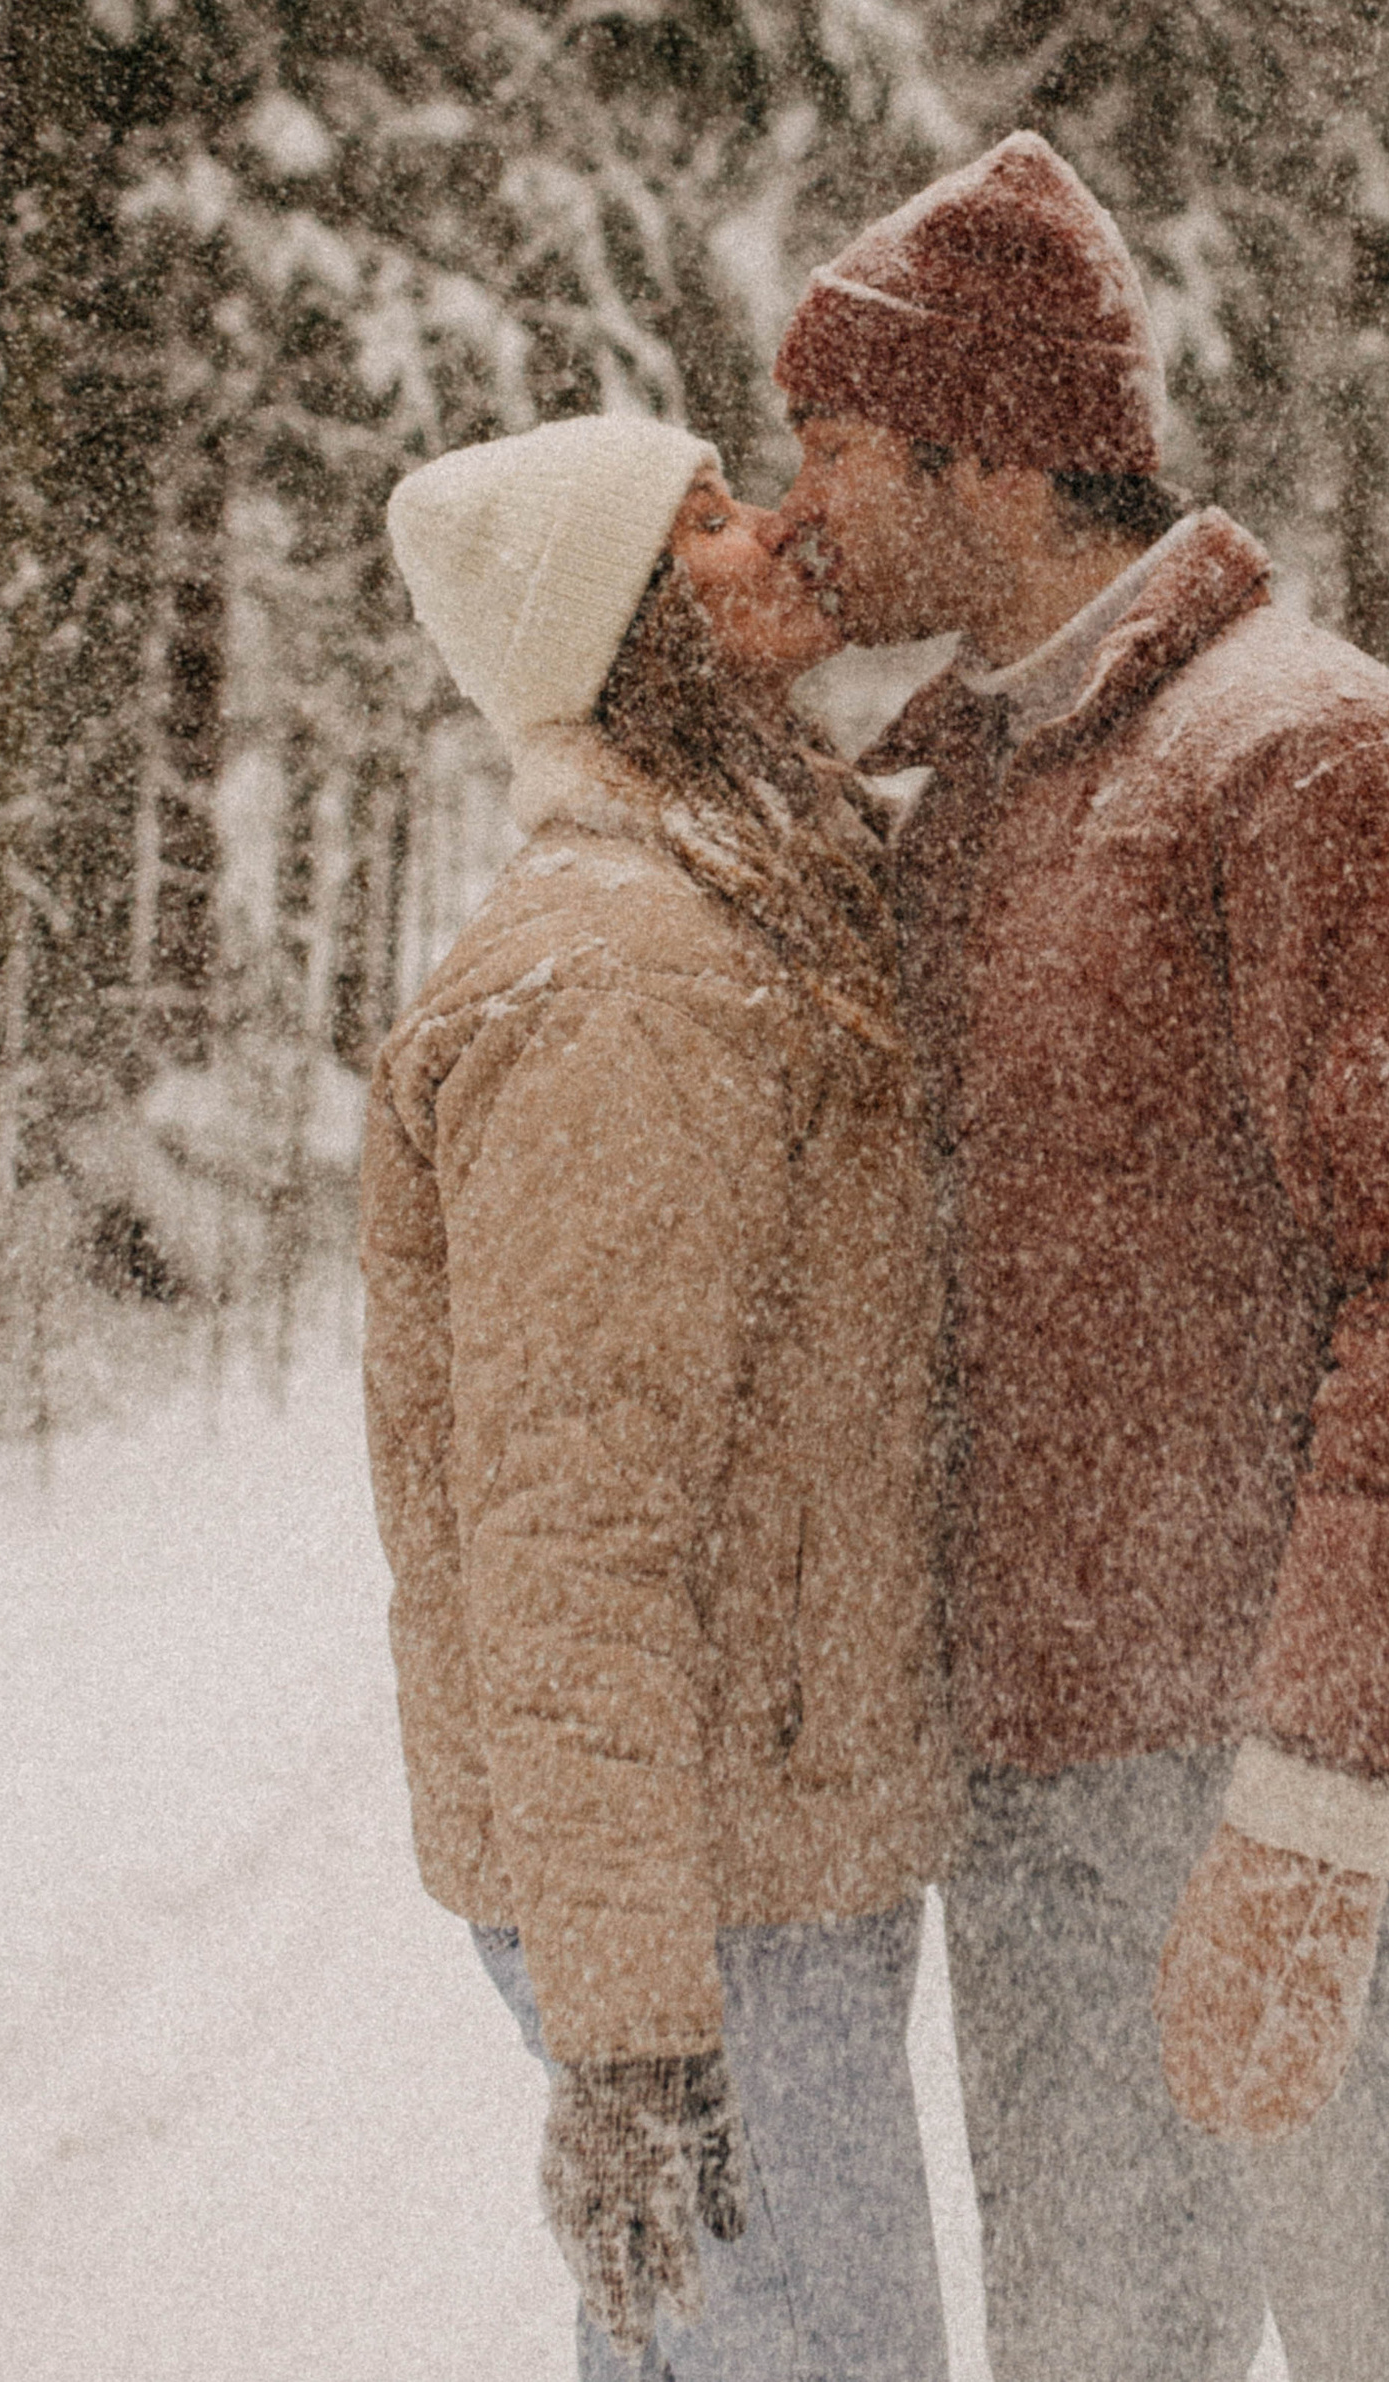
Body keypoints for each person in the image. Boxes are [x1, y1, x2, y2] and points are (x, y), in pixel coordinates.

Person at [768, 133, 1389, 2382]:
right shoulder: (970, 796)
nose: (802, 508)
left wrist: (1322, 1809)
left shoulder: (1321, 763)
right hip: (1041, 1793)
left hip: (1293, 1786)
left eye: (833, 446)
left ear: (989, 455)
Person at [361, 412, 957, 2381]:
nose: (769, 527)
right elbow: (570, 1530)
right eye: (700, 523)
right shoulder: (622, 981)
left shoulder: (739, 896)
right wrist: (628, 2025)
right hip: (708, 1887)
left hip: (759, 1838)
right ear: (618, 626)